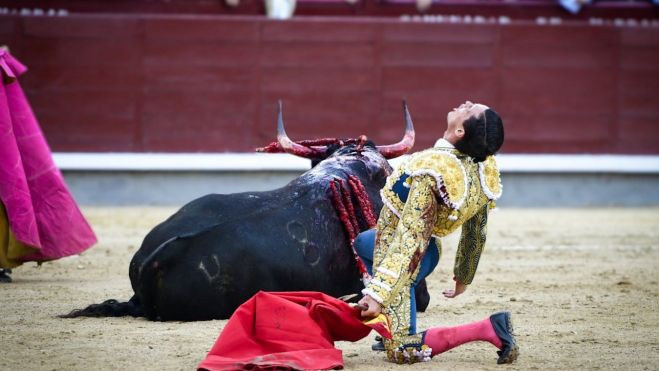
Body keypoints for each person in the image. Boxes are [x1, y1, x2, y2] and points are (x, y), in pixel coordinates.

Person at [355, 101, 518, 364]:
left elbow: (409, 237)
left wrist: (377, 294)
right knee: (363, 242)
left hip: (404, 257)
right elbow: (477, 230)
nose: (464, 104)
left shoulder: (432, 170)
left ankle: (488, 329)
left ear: (461, 132)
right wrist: (463, 276)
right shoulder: (482, 165)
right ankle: (395, 309)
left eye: (469, 109)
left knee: (401, 350)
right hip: (428, 251)